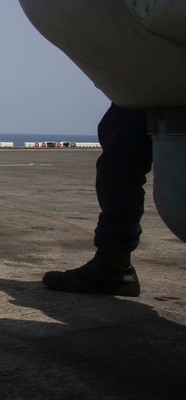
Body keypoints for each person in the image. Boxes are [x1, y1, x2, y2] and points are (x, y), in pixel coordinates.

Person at [42, 103, 151, 297]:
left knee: (121, 154)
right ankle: (114, 265)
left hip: (147, 92)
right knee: (119, 143)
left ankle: (114, 265)